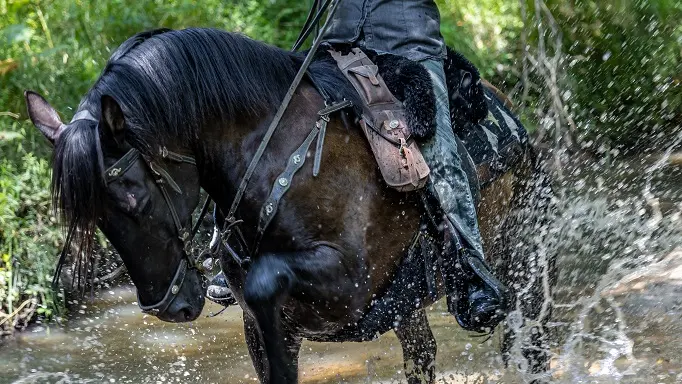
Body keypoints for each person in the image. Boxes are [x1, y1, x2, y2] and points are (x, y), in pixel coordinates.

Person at [207, 0, 510, 332]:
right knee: (263, 122)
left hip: (407, 44)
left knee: (439, 152)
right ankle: (234, 253)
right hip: (334, 43)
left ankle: (471, 274)